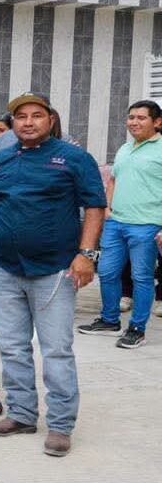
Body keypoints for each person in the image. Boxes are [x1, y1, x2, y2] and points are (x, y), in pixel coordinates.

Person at [0, 93, 106, 458]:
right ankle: (23, 414)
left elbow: (95, 206)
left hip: (55, 269)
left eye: (36, 115)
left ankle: (60, 424)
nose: (27, 122)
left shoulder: (74, 158)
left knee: (56, 349)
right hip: (5, 267)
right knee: (11, 346)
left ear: (51, 119)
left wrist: (86, 255)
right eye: (20, 116)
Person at [77, 100, 162, 349]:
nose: (134, 122)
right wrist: (108, 209)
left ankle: (137, 328)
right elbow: (114, 179)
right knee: (106, 273)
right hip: (116, 223)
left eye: (141, 118)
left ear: (157, 122)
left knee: (141, 277)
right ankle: (110, 320)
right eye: (131, 117)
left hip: (147, 225)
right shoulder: (125, 148)